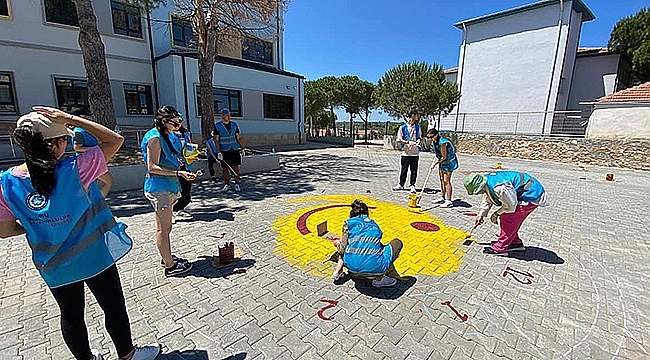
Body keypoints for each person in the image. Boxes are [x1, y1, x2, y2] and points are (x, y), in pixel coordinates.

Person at [0, 107, 160, 360]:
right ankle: (128, 355)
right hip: (94, 256)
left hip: (54, 265)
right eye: (64, 138)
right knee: (113, 307)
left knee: (71, 315)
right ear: (54, 143)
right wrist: (71, 119)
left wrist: (36, 224)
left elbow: (5, 231)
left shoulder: (5, 183)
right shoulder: (77, 168)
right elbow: (115, 140)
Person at [141, 106, 196, 276]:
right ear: (165, 121)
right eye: (175, 122)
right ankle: (170, 267)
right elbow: (153, 167)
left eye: (180, 121)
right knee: (163, 229)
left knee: (166, 227)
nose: (178, 125)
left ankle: (166, 257)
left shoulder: (166, 135)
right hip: (160, 189)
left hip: (168, 186)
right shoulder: (155, 138)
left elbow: (169, 157)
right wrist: (179, 173)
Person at [463, 171, 550, 255]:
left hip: (532, 195)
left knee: (508, 218)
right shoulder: (486, 181)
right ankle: (515, 243)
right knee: (510, 220)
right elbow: (489, 197)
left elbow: (511, 206)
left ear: (480, 186)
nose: (477, 194)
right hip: (524, 192)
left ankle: (501, 248)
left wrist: (496, 214)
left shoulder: (500, 187)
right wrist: (481, 214)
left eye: (477, 192)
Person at [325, 200, 403, 288]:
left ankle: (338, 271)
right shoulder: (374, 225)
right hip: (375, 268)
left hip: (351, 267)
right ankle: (379, 279)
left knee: (344, 247)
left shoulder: (349, 224)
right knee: (397, 242)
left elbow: (343, 247)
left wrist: (337, 243)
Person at [69, 108, 114, 197]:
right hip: (87, 161)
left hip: (92, 160)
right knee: (109, 181)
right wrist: (95, 149)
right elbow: (77, 147)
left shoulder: (85, 130)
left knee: (92, 185)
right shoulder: (78, 131)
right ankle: (97, 201)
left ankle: (93, 201)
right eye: (86, 116)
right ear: (80, 117)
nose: (88, 118)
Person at [213, 108, 244, 192]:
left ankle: (237, 184)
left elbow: (238, 137)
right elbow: (216, 140)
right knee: (225, 168)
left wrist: (242, 148)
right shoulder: (217, 126)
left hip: (234, 149)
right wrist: (218, 152)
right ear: (222, 116)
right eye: (227, 115)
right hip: (224, 150)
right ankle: (227, 184)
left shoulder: (234, 125)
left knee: (236, 167)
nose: (228, 117)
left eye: (229, 115)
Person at [427, 129, 459, 208]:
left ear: (436, 135)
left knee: (446, 181)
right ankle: (442, 197)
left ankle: (449, 201)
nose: (430, 139)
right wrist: (436, 161)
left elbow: (444, 156)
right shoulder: (435, 142)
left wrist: (435, 164)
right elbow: (439, 154)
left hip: (449, 162)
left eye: (431, 137)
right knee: (441, 179)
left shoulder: (443, 143)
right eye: (428, 137)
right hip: (443, 162)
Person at [393, 109, 422, 193]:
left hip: (415, 153)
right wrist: (408, 142)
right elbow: (399, 139)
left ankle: (412, 185)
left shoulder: (417, 127)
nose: (418, 117)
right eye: (417, 115)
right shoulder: (402, 127)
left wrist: (418, 141)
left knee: (414, 170)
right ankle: (401, 184)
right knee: (404, 169)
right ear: (412, 115)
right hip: (405, 152)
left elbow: (419, 137)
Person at [171, 124, 193, 219]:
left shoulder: (186, 133)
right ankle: (170, 212)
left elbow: (189, 146)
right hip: (173, 164)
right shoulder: (167, 134)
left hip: (186, 163)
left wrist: (194, 155)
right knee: (174, 189)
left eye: (179, 121)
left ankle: (179, 208)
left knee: (186, 188)